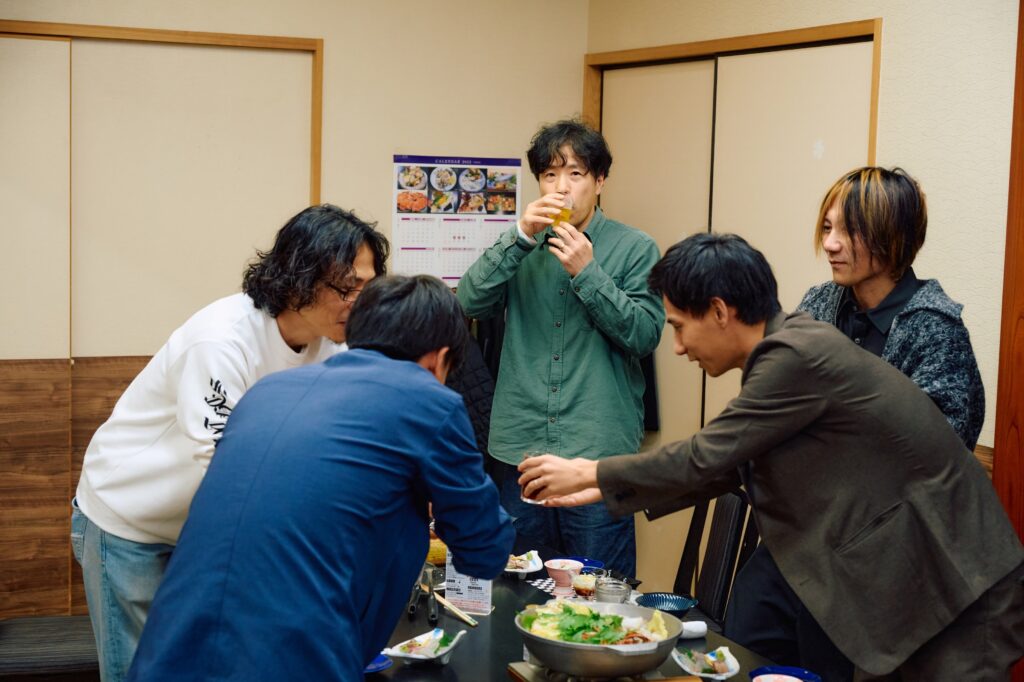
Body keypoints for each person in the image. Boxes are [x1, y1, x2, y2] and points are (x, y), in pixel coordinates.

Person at [519, 233, 1024, 681]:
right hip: (911, 580)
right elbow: (731, 463)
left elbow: (707, 453)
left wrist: (590, 470)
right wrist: (604, 487)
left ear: (720, 312)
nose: (677, 347)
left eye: (679, 326)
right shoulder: (786, 347)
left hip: (957, 579)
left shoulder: (796, 355)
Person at [126, 274, 514, 681]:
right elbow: (483, 551)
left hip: (171, 647)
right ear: (439, 358)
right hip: (290, 653)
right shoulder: (430, 402)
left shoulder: (268, 391)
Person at [71, 203, 390, 682]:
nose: (358, 302)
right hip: (131, 523)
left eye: (368, 287)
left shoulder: (333, 342)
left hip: (199, 528)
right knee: (141, 672)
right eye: (346, 288)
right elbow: (221, 466)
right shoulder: (221, 340)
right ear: (298, 278)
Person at [724, 166, 987, 679]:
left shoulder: (935, 330)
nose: (830, 244)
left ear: (894, 237)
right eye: (827, 228)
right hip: (793, 543)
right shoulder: (819, 305)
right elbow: (768, 404)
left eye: (848, 231)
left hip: (869, 569)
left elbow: (934, 457)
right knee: (740, 653)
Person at [456, 118, 664, 578]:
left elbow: (644, 334)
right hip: (522, 449)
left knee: (597, 592)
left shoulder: (635, 248)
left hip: (596, 453)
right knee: (520, 585)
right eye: (550, 174)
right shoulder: (521, 246)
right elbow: (467, 302)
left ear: (599, 181)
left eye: (575, 174)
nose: (562, 187)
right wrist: (519, 237)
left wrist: (588, 273)